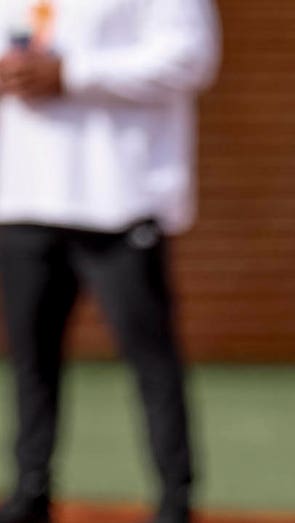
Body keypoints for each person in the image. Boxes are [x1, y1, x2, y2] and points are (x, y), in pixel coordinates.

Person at [0, 1, 220, 522]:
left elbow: (192, 57)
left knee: (152, 360)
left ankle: (174, 499)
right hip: (23, 197)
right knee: (32, 360)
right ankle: (30, 491)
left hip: (118, 198)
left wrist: (73, 73)